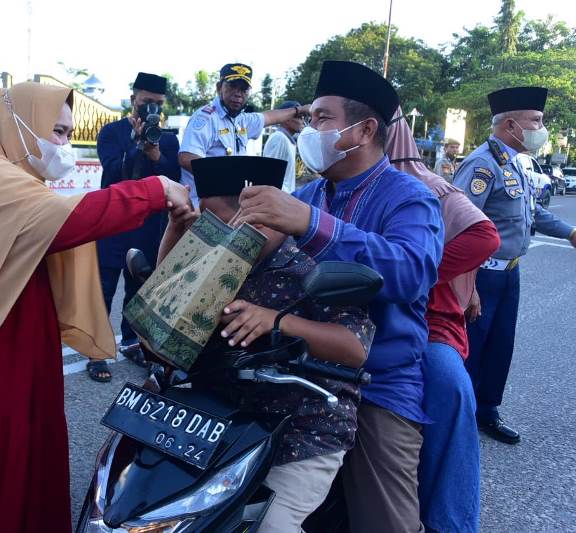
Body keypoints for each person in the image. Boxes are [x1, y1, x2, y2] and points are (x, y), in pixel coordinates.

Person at [0, 82, 191, 532]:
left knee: (16, 460)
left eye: (66, 133)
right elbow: (75, 219)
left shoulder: (15, 182)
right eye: (56, 131)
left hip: (9, 344)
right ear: (16, 123)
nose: (62, 144)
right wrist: (155, 188)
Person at [233, 60, 444, 532]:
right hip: (297, 373)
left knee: (385, 521)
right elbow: (253, 264)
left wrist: (310, 224)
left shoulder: (410, 197)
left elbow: (411, 272)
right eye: (309, 119)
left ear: (364, 129)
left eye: (322, 119)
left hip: (377, 380)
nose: (310, 130)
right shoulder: (310, 192)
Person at [158, 155, 375, 531]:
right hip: (221, 414)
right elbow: (165, 308)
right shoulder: (217, 255)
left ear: (255, 214)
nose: (209, 230)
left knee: (269, 526)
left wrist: (277, 321)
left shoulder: (313, 262)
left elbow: (355, 348)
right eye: (203, 220)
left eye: (217, 219)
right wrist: (176, 232)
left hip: (303, 428)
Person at [387, 107, 500, 533]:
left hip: (430, 319)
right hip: (369, 317)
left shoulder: (427, 185)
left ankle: (451, 522)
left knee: (450, 388)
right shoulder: (336, 188)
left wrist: (419, 270)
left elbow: (485, 236)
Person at [453, 86, 576, 444]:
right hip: (483, 274)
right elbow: (460, 223)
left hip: (510, 272)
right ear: (511, 124)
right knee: (471, 347)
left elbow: (531, 212)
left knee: (500, 345)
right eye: (536, 120)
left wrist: (569, 233)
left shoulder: (513, 162)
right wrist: (468, 283)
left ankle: (487, 410)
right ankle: (458, 418)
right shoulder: (482, 164)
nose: (541, 127)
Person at [90, 72, 180, 382]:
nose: (151, 110)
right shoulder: (113, 132)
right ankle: (96, 351)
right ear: (133, 101)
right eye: (145, 103)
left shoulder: (167, 138)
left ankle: (131, 341)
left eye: (157, 104)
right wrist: (137, 145)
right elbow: (113, 171)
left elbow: (173, 178)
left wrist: (155, 152)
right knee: (103, 290)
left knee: (138, 289)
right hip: (112, 222)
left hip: (148, 225)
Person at [178, 63, 311, 205]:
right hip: (198, 206)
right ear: (219, 87)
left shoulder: (242, 120)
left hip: (228, 206)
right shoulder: (206, 118)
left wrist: (299, 110)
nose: (238, 93)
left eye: (244, 89)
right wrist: (226, 178)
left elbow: (271, 116)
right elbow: (186, 157)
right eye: (232, 86)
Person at [263, 100, 304, 193]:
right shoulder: (279, 138)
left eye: (303, 117)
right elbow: (271, 177)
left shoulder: (287, 139)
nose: (302, 120)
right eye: (299, 117)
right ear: (286, 119)